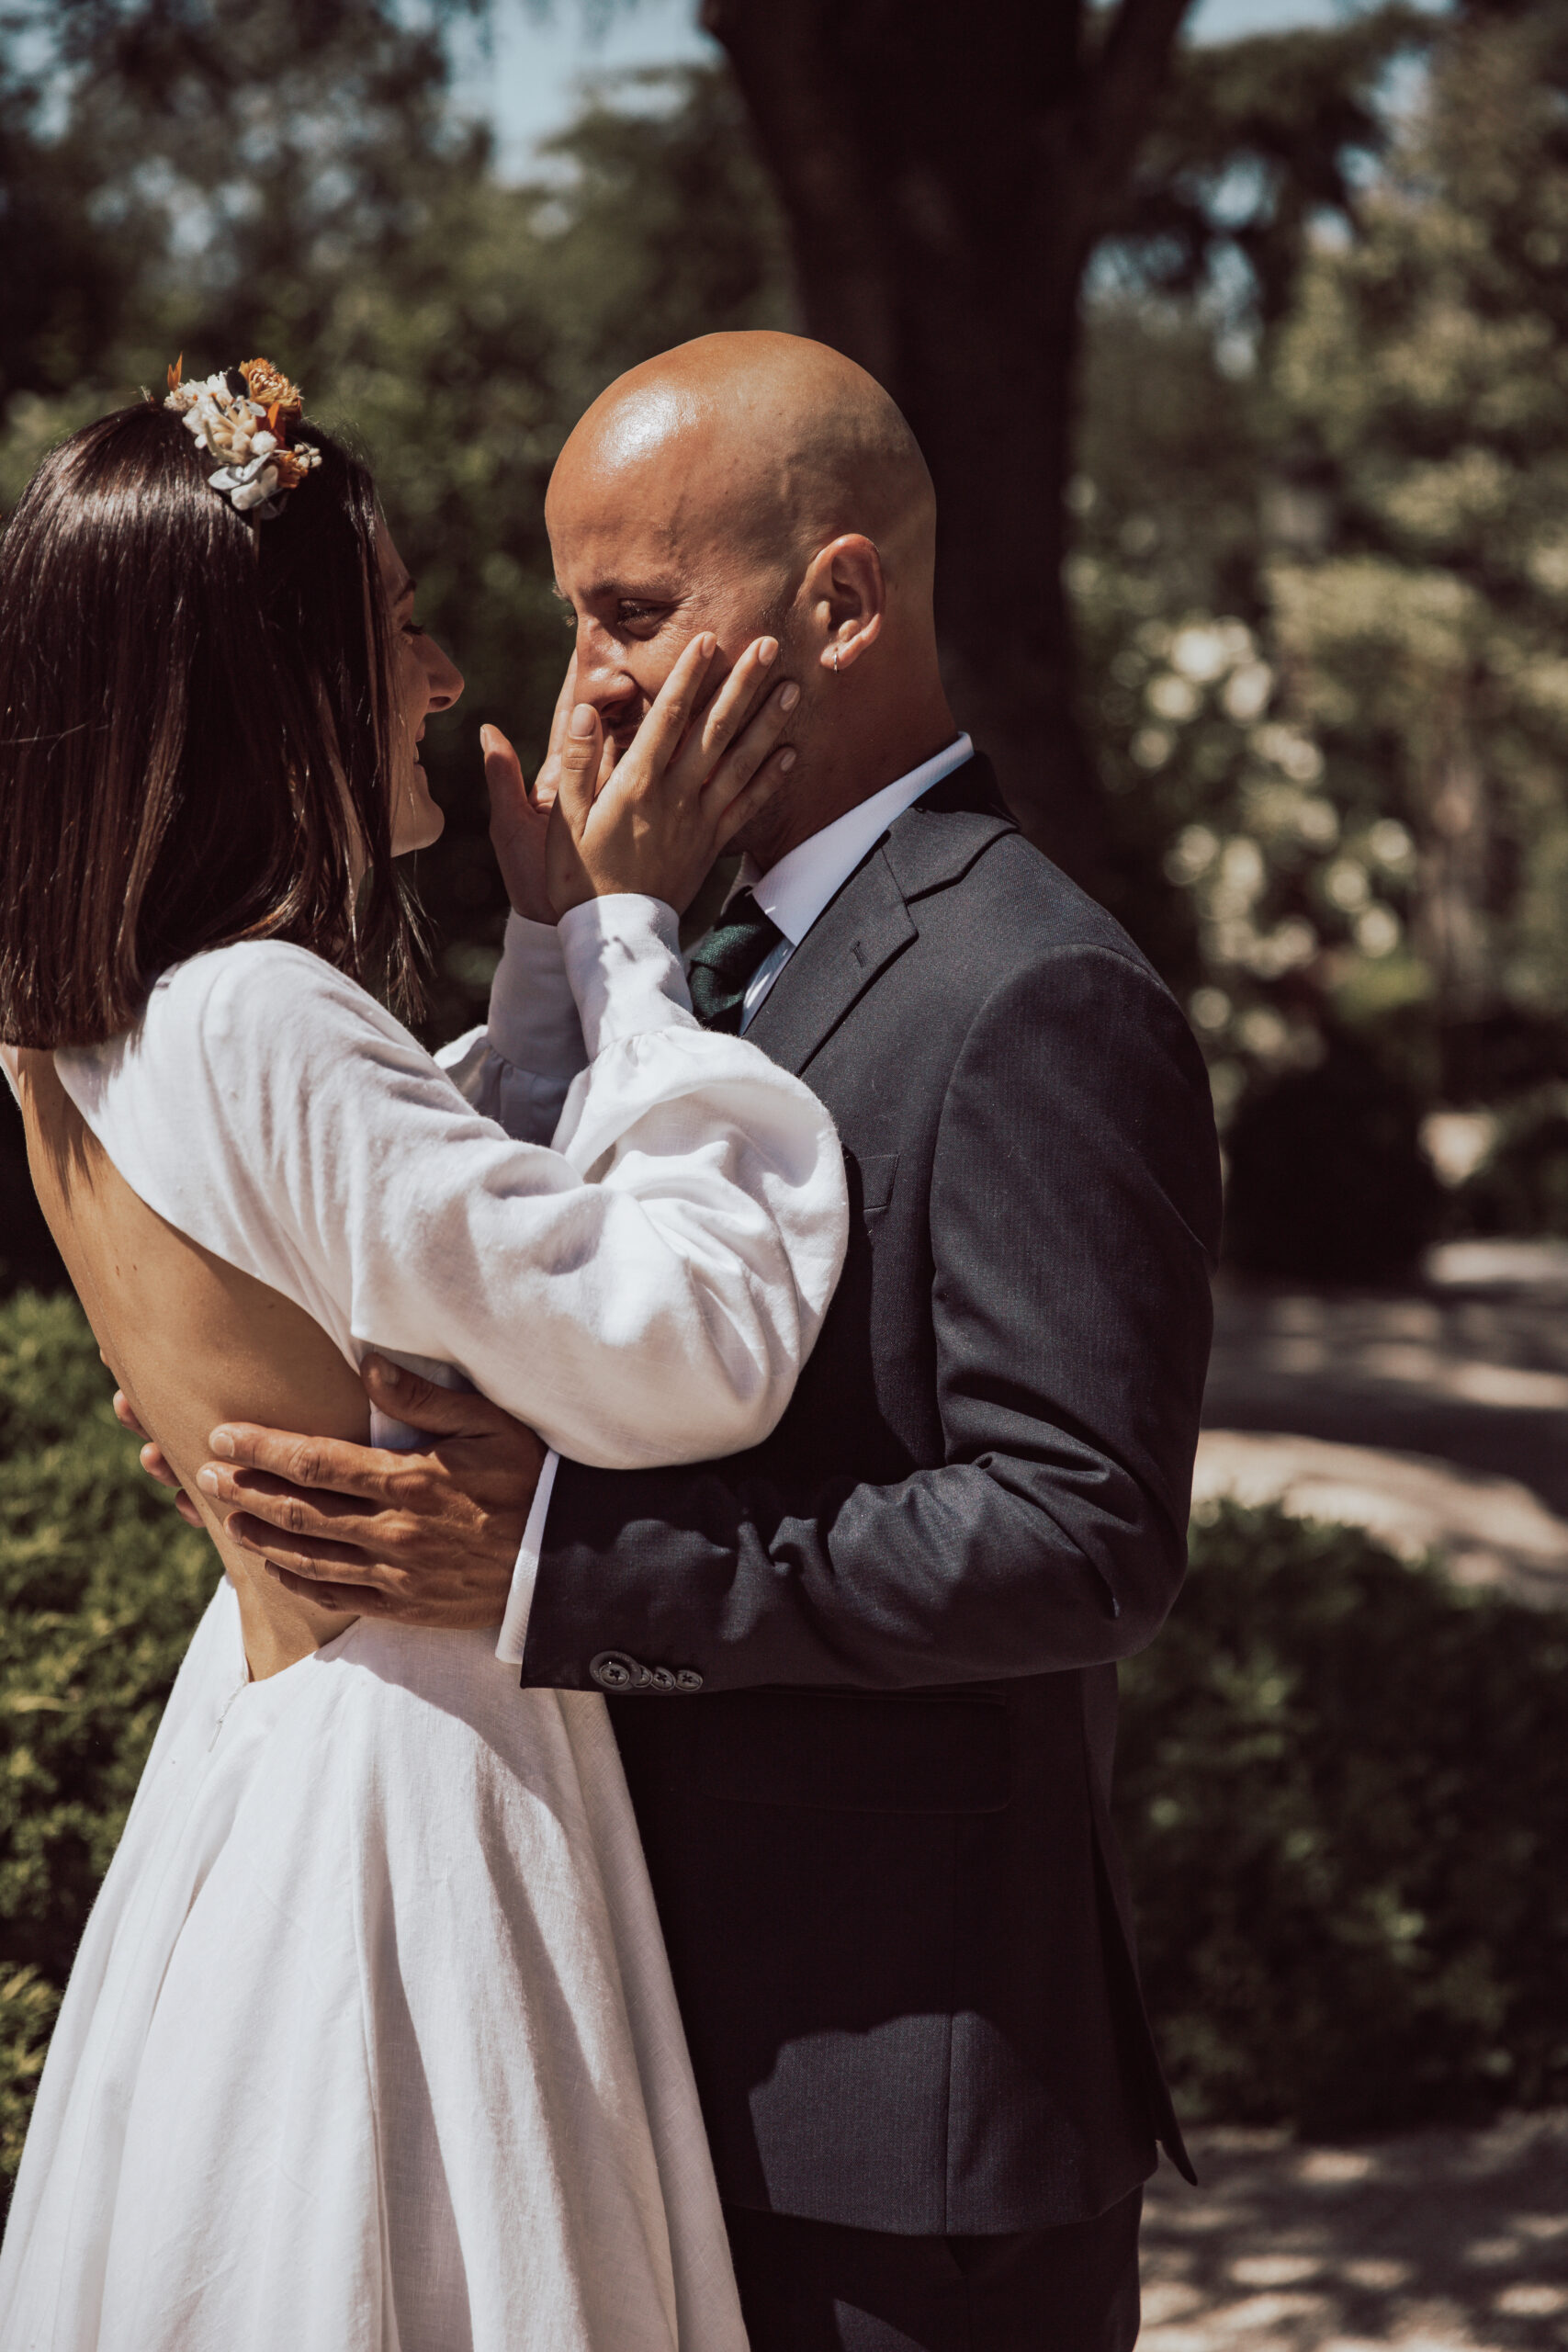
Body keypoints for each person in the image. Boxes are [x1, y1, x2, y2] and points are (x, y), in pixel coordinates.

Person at [199, 331, 1224, 2351]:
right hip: (627, 2050)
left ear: (835, 603)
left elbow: (1079, 1533)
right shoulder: (685, 945)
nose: (580, 680)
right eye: (575, 615)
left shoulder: (1028, 991)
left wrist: (568, 1573)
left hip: (885, 2120)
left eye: (632, 614)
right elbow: (533, 1305)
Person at [0, 361, 852, 2349]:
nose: (440, 667)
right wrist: (637, 935)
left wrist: (551, 954)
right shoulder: (264, 1014)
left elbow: (431, 1238)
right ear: (257, 673)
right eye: (387, 623)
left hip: (264, 1748)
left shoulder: (75, 1032)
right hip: (411, 1792)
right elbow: (675, 1343)